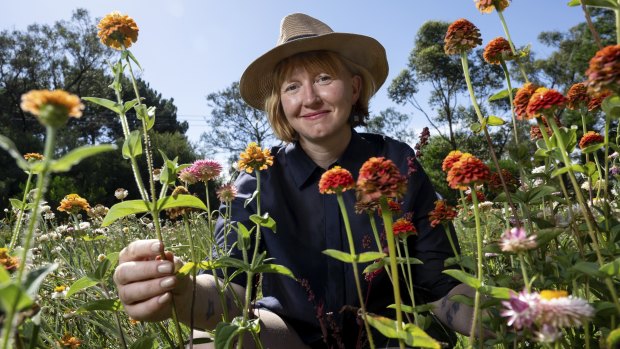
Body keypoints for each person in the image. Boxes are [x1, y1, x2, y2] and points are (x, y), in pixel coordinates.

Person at [113, 13, 476, 348]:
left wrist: (515, 314)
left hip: (394, 335)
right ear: (280, 104)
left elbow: (441, 284)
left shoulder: (397, 163)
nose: (310, 98)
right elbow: (231, 290)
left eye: (323, 78)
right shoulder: (257, 180)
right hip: (289, 337)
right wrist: (177, 291)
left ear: (353, 88)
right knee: (208, 343)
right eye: (292, 87)